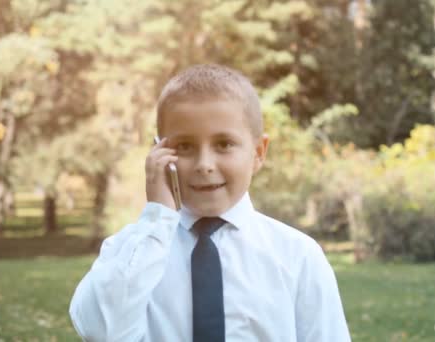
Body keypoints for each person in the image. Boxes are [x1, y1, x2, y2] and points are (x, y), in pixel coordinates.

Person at [69, 64, 351, 341]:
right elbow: (99, 330)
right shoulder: (130, 252)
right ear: (158, 151)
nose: (204, 165)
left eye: (224, 144)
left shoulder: (298, 256)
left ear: (258, 152)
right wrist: (157, 218)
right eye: (184, 146)